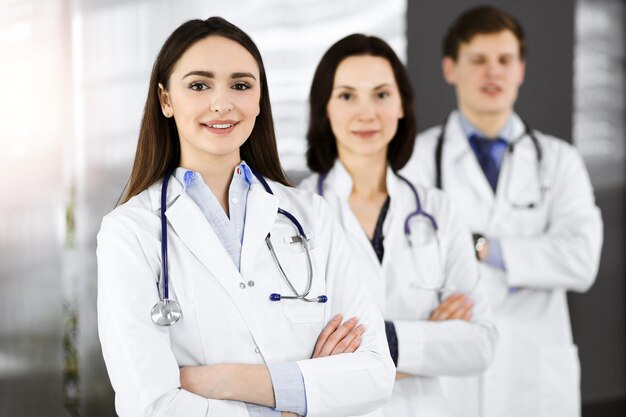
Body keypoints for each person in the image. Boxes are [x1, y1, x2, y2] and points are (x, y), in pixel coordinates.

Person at [96, 17, 395, 417]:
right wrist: (301, 394)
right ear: (166, 100)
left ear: (258, 100)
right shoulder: (130, 232)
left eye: (240, 85)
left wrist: (224, 381)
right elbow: (149, 404)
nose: (223, 103)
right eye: (199, 85)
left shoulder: (311, 214)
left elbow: (375, 373)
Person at [402, 6, 603, 417]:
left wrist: (478, 246)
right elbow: (406, 264)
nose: (492, 73)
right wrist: (529, 256)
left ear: (521, 70)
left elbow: (581, 261)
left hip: (535, 378)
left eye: (504, 60)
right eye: (477, 60)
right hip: (452, 377)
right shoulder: (417, 161)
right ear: (450, 68)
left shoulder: (559, 160)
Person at [299, 34, 497, 417]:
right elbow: (296, 352)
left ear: (402, 105)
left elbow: (480, 343)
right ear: (324, 109)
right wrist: (427, 339)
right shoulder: (295, 213)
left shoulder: (437, 209)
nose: (366, 112)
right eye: (346, 96)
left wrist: (371, 344)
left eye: (381, 94)